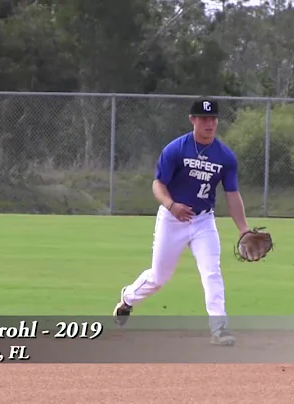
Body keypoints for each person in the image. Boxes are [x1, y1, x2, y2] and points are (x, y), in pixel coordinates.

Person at [112, 97, 253, 346]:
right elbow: (158, 184)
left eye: (213, 118)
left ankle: (219, 329)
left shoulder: (225, 157)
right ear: (193, 120)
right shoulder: (176, 149)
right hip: (171, 220)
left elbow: (232, 194)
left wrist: (243, 229)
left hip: (203, 222)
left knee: (212, 272)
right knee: (158, 277)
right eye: (204, 118)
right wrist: (171, 205)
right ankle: (128, 299)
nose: (210, 123)